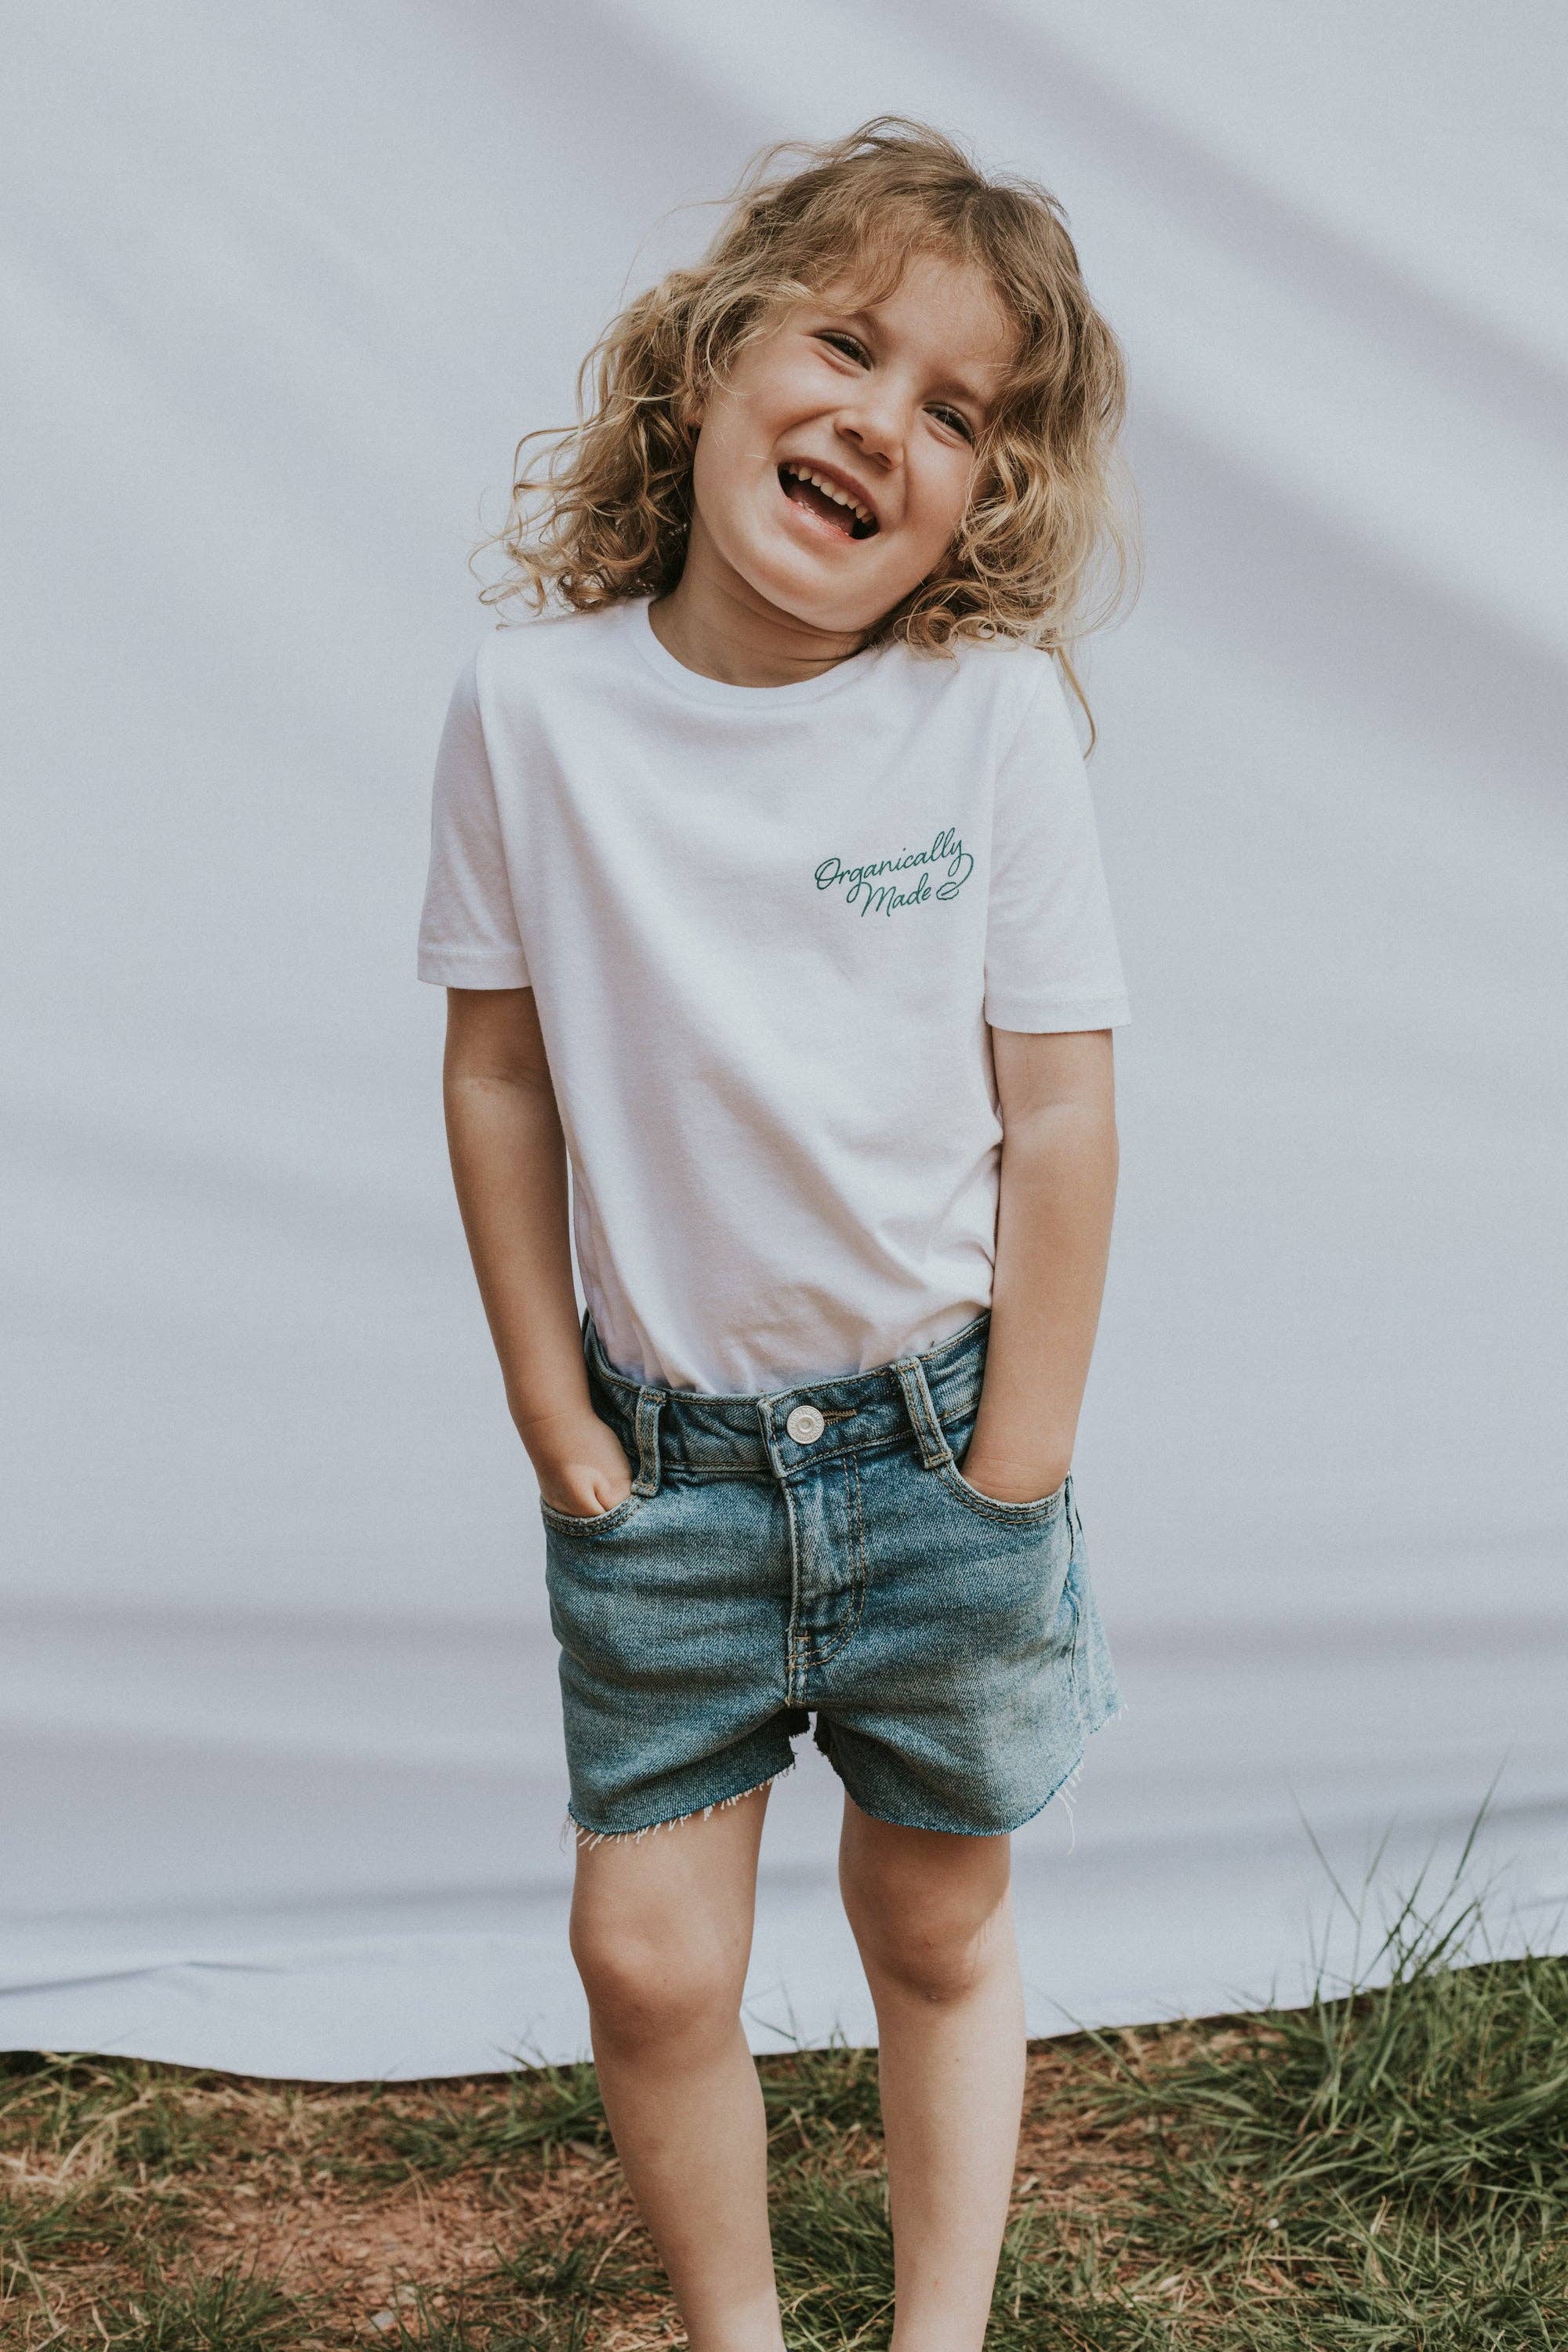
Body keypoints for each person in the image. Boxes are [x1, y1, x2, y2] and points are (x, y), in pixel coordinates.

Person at [418, 115, 1137, 2352]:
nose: (883, 424)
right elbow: (501, 1078)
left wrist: (1017, 1462)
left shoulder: (987, 724)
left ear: (987, 496)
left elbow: (1063, 1109)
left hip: (940, 1460)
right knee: (646, 1960)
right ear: (714, 353)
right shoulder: (534, 714)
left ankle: (941, 2330)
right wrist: (556, 1417)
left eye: (959, 413)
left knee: (934, 1927)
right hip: (668, 1476)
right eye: (847, 346)